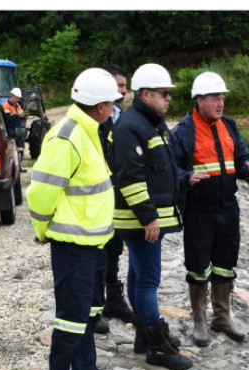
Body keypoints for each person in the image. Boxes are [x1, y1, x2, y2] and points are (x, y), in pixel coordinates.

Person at [26, 68, 119, 370]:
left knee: (88, 317)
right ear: (100, 106)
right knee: (71, 323)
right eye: (112, 103)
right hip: (74, 249)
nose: (114, 108)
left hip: (94, 246)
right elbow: (41, 191)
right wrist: (42, 229)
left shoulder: (91, 132)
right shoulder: (67, 137)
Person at [169, 71, 249, 347]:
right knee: (199, 266)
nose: (221, 102)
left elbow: (242, 160)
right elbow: (170, 169)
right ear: (199, 100)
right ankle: (200, 320)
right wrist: (185, 178)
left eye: (223, 97)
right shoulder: (182, 131)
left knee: (226, 265)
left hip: (228, 206)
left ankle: (222, 317)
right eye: (215, 97)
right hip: (199, 209)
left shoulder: (230, 125)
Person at [111, 63, 191, 370]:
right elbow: (130, 178)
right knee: (148, 280)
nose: (169, 99)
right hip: (140, 218)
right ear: (146, 94)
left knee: (137, 275)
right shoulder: (132, 126)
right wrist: (148, 217)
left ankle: (144, 336)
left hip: (143, 216)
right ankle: (157, 346)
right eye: (164, 94)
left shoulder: (149, 122)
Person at [99, 64, 137, 330]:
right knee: (96, 252)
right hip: (95, 197)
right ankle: (93, 308)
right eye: (120, 86)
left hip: (118, 196)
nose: (125, 90)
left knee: (114, 249)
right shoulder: (92, 120)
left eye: (125, 86)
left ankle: (113, 300)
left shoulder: (121, 116)